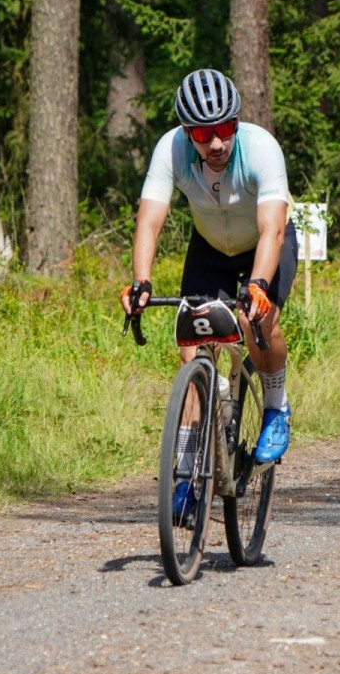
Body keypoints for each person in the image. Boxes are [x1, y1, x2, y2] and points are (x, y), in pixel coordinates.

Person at [120, 68, 298, 475]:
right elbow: (149, 220)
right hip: (210, 245)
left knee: (257, 319)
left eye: (224, 128)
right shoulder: (170, 150)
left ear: (237, 122)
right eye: (202, 134)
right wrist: (141, 282)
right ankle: (185, 468)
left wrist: (257, 286)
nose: (216, 142)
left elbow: (272, 228)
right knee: (191, 346)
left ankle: (275, 408)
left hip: (265, 243)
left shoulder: (261, 148)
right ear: (186, 133)